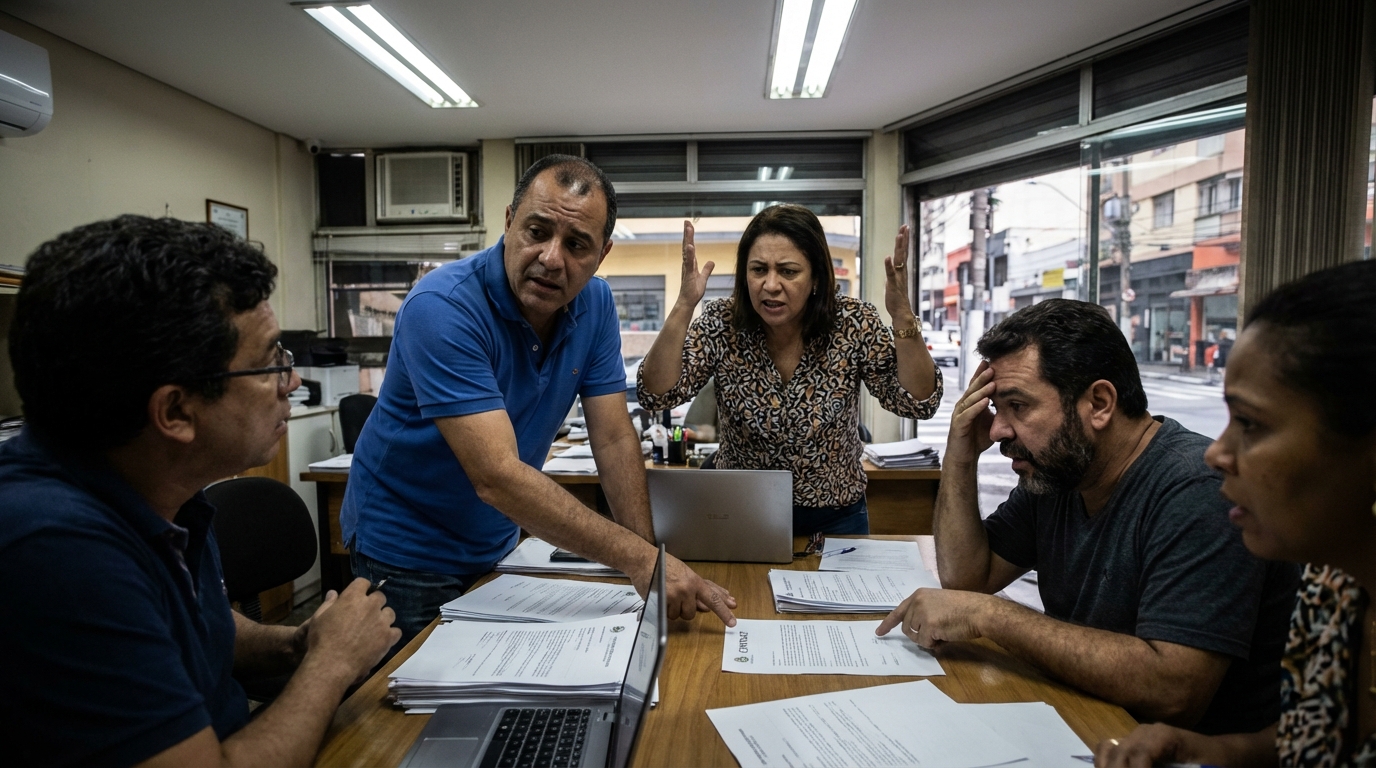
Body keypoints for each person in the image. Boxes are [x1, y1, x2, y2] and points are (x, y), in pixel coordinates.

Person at [0, 216, 401, 766]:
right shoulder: (55, 550)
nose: (290, 383)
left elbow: (190, 625)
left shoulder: (162, 489)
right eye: (267, 365)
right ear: (175, 411)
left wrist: (298, 642)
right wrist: (329, 664)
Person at [342, 155, 736, 649]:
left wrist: (649, 560)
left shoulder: (594, 306)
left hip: (495, 543)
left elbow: (613, 439)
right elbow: (497, 476)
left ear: (603, 253)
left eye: (576, 245)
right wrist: (641, 561)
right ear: (509, 223)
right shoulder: (442, 307)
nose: (552, 258)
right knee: (415, 716)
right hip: (407, 549)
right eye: (537, 231)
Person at [876, 299, 1299, 735]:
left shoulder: (1196, 489)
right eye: (996, 409)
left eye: (1017, 406)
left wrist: (992, 616)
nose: (999, 430)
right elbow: (967, 580)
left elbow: (1174, 693)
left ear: (1099, 403)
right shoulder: (1063, 471)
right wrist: (959, 455)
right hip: (1094, 725)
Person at [1095, 260, 1376, 767]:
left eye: (1249, 423)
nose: (1217, 453)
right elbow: (1313, 740)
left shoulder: (1185, 487)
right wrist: (1213, 750)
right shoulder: (1332, 587)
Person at [637, 204, 941, 536]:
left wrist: (902, 317)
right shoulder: (721, 322)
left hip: (837, 517)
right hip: (741, 513)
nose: (770, 284)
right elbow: (656, 394)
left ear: (815, 279)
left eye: (788, 271)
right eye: (758, 270)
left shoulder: (853, 321)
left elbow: (917, 402)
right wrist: (684, 306)